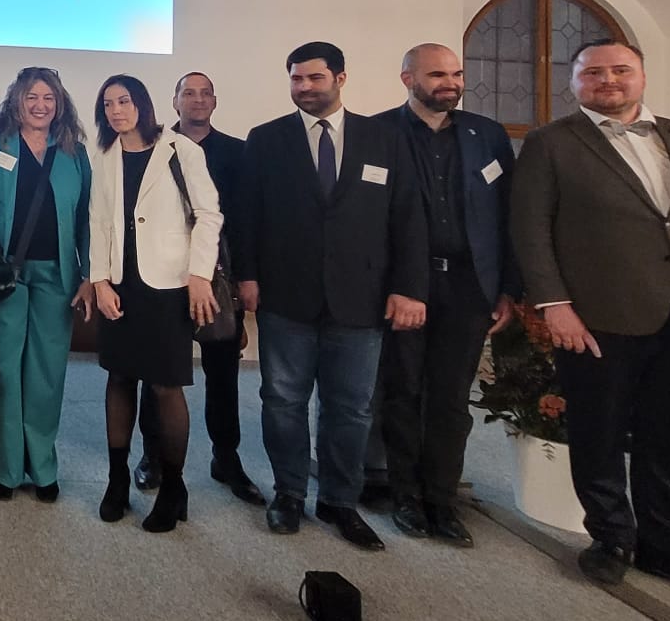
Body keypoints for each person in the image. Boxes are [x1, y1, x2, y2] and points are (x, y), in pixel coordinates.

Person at [512, 38, 670, 611]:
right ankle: (611, 536)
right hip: (598, 313)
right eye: (593, 73)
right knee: (598, 429)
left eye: (620, 70)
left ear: (642, 76)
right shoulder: (552, 143)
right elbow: (530, 230)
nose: (608, 80)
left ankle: (667, 543)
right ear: (574, 83)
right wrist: (554, 303)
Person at [233, 41, 427, 550]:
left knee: (352, 408)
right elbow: (247, 216)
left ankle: (341, 501)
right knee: (282, 401)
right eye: (296, 79)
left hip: (361, 298)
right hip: (286, 296)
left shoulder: (383, 139)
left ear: (340, 78)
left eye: (314, 78)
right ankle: (289, 493)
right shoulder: (267, 139)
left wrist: (408, 288)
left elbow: (408, 218)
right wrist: (246, 277)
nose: (304, 87)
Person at [371, 43, 519, 546]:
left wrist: (507, 288)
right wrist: (398, 286)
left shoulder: (487, 135)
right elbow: (370, 220)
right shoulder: (378, 132)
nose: (450, 83)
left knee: (453, 399)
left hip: (469, 286)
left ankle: (442, 499)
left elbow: (508, 216)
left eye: (456, 74)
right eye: (437, 75)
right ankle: (405, 496)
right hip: (404, 286)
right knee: (403, 393)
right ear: (408, 78)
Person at [88, 75, 223, 532]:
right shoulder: (104, 154)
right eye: (108, 104)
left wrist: (200, 275)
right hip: (120, 284)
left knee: (166, 387)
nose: (116, 111)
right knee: (120, 378)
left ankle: (173, 487)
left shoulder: (181, 150)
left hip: (168, 285)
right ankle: (117, 480)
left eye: (124, 101)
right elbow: (97, 221)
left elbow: (208, 215)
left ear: (142, 104)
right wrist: (100, 281)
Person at [137, 71, 263, 506]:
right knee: (157, 372)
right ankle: (152, 455)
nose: (197, 100)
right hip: (162, 277)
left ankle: (226, 457)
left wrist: (248, 277)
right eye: (188, 93)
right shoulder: (154, 148)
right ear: (174, 102)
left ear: (215, 102)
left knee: (223, 372)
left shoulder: (237, 152)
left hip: (217, 278)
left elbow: (245, 219)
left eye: (205, 93)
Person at [0, 67, 93, 501]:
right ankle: (5, 470)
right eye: (32, 97)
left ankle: (42, 467)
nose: (40, 106)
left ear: (59, 105)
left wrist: (88, 274)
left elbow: (86, 218)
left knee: (46, 373)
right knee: (4, 369)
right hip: (4, 274)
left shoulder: (74, 152)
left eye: (48, 98)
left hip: (57, 275)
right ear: (16, 101)